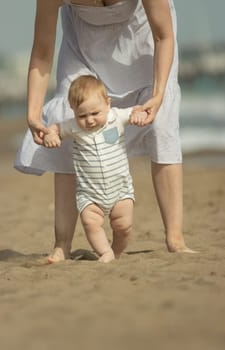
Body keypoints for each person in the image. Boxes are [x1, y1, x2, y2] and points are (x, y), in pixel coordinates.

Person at [14, 0, 195, 263]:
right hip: (84, 42)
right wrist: (32, 113)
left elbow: (163, 35)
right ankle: (62, 245)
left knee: (161, 120)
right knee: (65, 115)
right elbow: (42, 52)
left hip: (144, 39)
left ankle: (175, 238)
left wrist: (158, 95)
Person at [43, 75, 147, 263]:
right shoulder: (74, 127)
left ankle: (114, 252)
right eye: (82, 115)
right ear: (73, 110)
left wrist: (139, 114)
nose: (89, 120)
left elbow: (136, 110)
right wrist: (51, 135)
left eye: (95, 113)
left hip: (120, 190)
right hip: (90, 194)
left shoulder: (116, 117)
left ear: (108, 104)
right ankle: (105, 252)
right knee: (91, 224)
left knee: (124, 227)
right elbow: (55, 128)